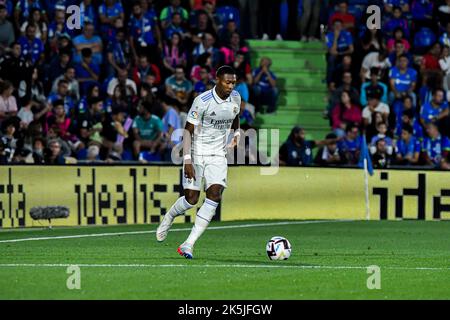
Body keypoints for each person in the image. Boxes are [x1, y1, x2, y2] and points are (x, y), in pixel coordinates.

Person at [155, 66, 242, 259]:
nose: (231, 86)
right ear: (217, 80)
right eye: (227, 82)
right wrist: (186, 160)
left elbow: (235, 116)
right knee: (191, 200)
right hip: (196, 152)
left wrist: (236, 133)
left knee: (215, 194)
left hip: (218, 155)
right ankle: (169, 217)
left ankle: (188, 244)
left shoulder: (236, 97)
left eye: (233, 82)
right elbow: (187, 131)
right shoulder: (202, 102)